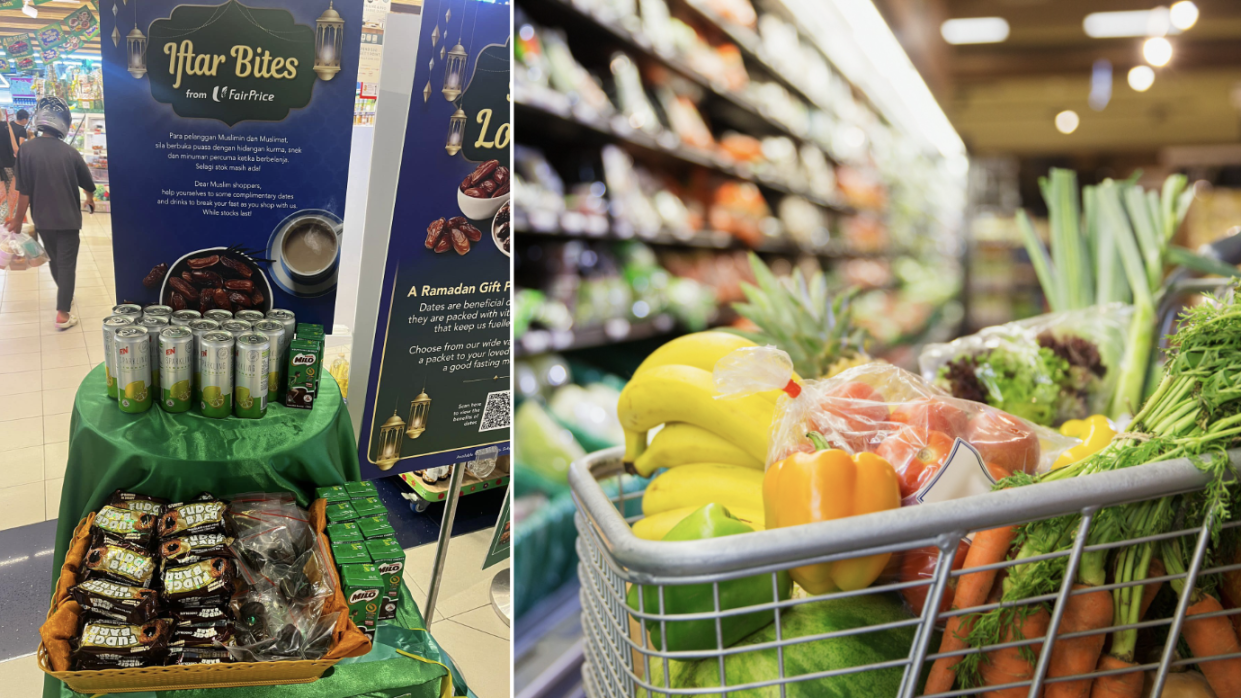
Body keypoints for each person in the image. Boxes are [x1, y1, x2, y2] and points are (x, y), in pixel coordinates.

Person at [7, 97, 94, 330]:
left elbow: (24, 191)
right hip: (68, 219)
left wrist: (17, 219)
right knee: (67, 264)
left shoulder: (26, 150)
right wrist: (89, 199)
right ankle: (63, 313)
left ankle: (64, 298)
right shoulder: (71, 153)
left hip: (43, 219)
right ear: (64, 123)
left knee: (55, 260)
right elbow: (88, 183)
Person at [0, 108, 28, 221]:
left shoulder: (9, 124)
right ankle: (9, 220)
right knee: (9, 194)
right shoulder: (6, 126)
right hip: (7, 165)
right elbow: (16, 148)